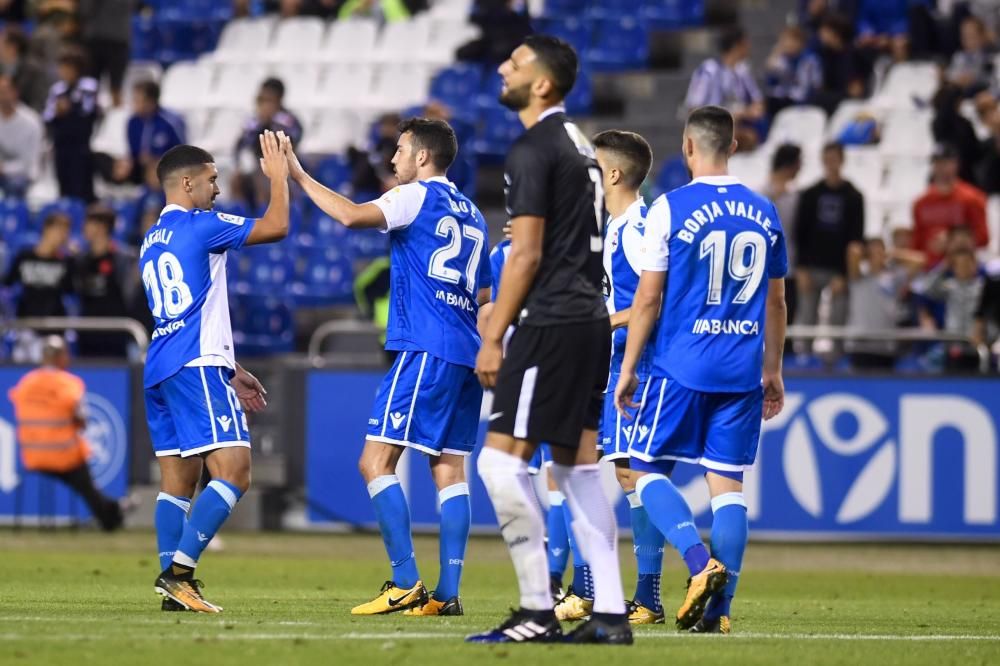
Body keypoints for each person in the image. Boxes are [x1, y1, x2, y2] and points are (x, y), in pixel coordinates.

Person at [284, 118, 490, 617]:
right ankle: (448, 593)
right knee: (449, 468)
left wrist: (298, 174)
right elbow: (482, 292)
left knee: (374, 462)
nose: (393, 159)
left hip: (424, 346)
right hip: (465, 350)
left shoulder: (414, 195)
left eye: (399, 150)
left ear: (423, 157)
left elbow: (353, 217)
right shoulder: (474, 214)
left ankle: (404, 580)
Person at [468, 35, 630, 645]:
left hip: (553, 322)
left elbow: (526, 251)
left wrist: (494, 334)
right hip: (590, 321)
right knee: (579, 470)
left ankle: (537, 610)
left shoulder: (535, 147)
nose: (503, 67)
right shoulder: (580, 145)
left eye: (516, 62)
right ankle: (610, 615)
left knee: (499, 463)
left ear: (542, 84)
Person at [615, 105, 788, 635]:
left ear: (688, 147)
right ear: (733, 147)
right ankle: (720, 612)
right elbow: (778, 302)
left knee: (642, 470)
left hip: (680, 366)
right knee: (728, 490)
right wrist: (773, 370)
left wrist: (627, 368)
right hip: (742, 370)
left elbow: (647, 300)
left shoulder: (669, 207)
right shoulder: (765, 211)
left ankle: (698, 563)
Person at [142, 135, 289, 613]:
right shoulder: (201, 226)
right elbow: (277, 226)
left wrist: (234, 367)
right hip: (195, 366)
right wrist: (279, 178)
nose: (217, 190)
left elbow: (186, 312)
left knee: (177, 484)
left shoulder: (150, 238)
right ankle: (179, 573)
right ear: (186, 183)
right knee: (235, 473)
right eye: (211, 180)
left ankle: (174, 592)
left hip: (163, 367)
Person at [571, 128, 666, 627]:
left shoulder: (640, 226)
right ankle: (639, 596)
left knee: (634, 474)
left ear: (611, 173)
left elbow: (655, 301)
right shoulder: (618, 224)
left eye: (593, 164)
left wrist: (599, 323)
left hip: (640, 368)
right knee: (627, 475)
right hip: (617, 364)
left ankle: (649, 596)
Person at [486, 226, 573, 606]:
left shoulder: (508, 253)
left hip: (535, 363)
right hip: (554, 362)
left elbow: (494, 308)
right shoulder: (571, 245)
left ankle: (549, 580)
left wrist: (489, 340)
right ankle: (558, 580)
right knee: (560, 478)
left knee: (512, 470)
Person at [7, 336, 125, 531]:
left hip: (32, 456)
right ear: (62, 357)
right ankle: (111, 516)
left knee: (82, 484)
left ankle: (113, 510)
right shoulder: (68, 384)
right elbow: (82, 419)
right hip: (63, 456)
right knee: (85, 483)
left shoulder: (26, 383)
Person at [794, 142, 865, 334]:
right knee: (806, 317)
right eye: (827, 159)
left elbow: (856, 237)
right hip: (811, 266)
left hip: (838, 268)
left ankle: (835, 361)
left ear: (842, 161)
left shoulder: (854, 197)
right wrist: (800, 268)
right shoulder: (810, 194)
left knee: (838, 320)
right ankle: (805, 360)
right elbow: (799, 233)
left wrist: (844, 273)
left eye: (834, 159)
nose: (831, 163)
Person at [685, 25, 766, 152]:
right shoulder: (708, 70)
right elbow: (694, 109)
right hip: (714, 127)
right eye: (746, 43)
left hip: (740, 125)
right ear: (737, 45)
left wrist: (749, 112)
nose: (749, 46)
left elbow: (758, 102)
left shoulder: (742, 70)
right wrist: (732, 116)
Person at [913, 143, 989, 267]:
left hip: (962, 269)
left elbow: (983, 237)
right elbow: (917, 242)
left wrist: (952, 242)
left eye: (945, 162)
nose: (941, 168)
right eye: (937, 163)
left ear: (956, 164)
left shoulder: (972, 198)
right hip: (930, 269)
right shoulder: (921, 203)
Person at [99, 80, 186, 186]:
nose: (134, 104)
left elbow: (182, 153)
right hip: (140, 167)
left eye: (137, 100)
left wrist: (157, 161)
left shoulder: (171, 122)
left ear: (150, 101)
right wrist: (126, 163)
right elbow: (133, 152)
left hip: (165, 166)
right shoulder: (133, 122)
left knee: (157, 170)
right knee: (102, 159)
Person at [234, 78, 302, 209]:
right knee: (238, 179)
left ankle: (274, 216)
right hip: (257, 164)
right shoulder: (253, 122)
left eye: (269, 100)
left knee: (267, 178)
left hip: (284, 163)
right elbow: (241, 146)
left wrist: (269, 123)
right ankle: (241, 214)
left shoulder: (287, 120)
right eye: (261, 100)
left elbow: (292, 140)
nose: (264, 105)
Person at [74, 204, 131, 358]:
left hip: (115, 334)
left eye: (88, 223)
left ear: (102, 227)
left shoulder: (123, 260)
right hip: (87, 334)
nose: (83, 227)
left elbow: (130, 296)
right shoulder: (80, 261)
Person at [43, 48, 99, 202]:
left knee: (81, 186)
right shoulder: (57, 90)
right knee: (63, 184)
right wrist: (58, 112)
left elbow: (89, 113)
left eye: (67, 67)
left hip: (80, 146)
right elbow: (47, 116)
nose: (63, 71)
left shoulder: (89, 87)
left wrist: (71, 108)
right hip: (61, 145)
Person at [2, 212, 74, 318]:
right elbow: (8, 283)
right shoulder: (24, 257)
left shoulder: (66, 261)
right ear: (46, 229)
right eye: (59, 230)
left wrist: (74, 257)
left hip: (54, 321)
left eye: (66, 232)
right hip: (26, 320)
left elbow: (71, 290)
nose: (63, 236)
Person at [763, 144, 802, 324]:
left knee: (787, 321)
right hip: (763, 268)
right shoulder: (760, 195)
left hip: (789, 268)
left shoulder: (797, 197)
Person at [78, 0, 131, 107]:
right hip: (108, 40)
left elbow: (84, 11)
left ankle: (116, 118)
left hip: (106, 39)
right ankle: (89, 116)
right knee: (92, 85)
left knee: (115, 86)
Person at [764, 25, 823, 117]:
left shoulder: (810, 60)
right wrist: (776, 53)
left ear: (799, 42)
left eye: (790, 40)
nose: (786, 44)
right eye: (783, 41)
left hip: (801, 102)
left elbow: (815, 86)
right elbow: (771, 81)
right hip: (781, 100)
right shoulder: (781, 59)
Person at [0, 74, 43, 197]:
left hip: (23, 175)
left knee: (15, 186)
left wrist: (4, 169)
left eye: (4, 92)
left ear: (15, 93)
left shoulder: (31, 121)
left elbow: (29, 163)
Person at [0, 25, 51, 113]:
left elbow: (39, 101)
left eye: (1, 43)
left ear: (13, 47)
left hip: (26, 119)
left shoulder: (34, 70)